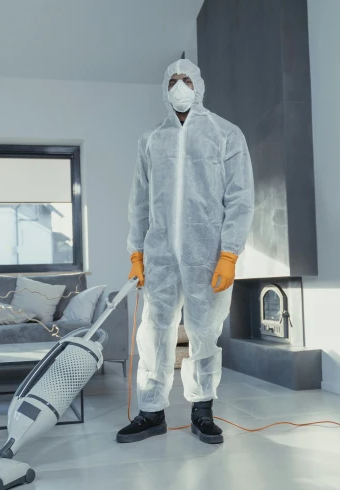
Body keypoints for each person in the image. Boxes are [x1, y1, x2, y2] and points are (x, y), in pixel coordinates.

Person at [117, 59, 254, 445]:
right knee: (153, 332)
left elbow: (241, 198)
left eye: (187, 79)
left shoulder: (225, 134)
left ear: (200, 85)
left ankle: (202, 410)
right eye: (174, 80)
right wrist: (136, 254)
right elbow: (139, 202)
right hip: (159, 254)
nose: (180, 86)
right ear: (165, 87)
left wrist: (229, 253)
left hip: (206, 253)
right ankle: (151, 411)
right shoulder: (150, 141)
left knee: (205, 331)